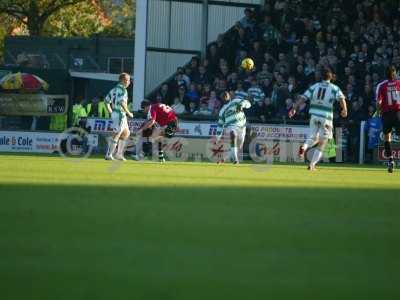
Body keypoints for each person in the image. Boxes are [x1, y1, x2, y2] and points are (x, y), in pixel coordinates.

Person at [289, 69, 348, 171]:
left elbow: (303, 98)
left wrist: (294, 108)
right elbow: (341, 98)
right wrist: (344, 109)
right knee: (323, 142)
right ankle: (312, 165)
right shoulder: (334, 88)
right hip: (326, 117)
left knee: (313, 137)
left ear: (321, 77)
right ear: (331, 77)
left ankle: (304, 147)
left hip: (314, 116)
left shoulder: (314, 86)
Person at [376, 66, 400, 173]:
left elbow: (378, 102)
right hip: (398, 113)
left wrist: (379, 111)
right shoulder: (399, 83)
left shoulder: (381, 86)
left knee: (387, 137)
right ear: (394, 73)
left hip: (387, 115)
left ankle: (390, 160)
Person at [216, 91, 251, 164]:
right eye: (224, 95)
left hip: (242, 126)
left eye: (226, 95)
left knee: (239, 147)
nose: (225, 96)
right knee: (233, 134)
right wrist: (218, 137)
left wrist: (242, 105)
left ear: (229, 96)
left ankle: (224, 159)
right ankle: (236, 159)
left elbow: (248, 104)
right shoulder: (222, 111)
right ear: (222, 98)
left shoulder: (236, 101)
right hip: (231, 126)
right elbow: (220, 124)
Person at [104, 73, 133, 161]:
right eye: (128, 80)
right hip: (120, 114)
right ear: (123, 80)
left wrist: (111, 112)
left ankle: (119, 154)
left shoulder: (113, 89)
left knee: (126, 133)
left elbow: (106, 101)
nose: (129, 82)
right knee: (117, 134)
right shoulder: (123, 90)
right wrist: (129, 113)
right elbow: (122, 102)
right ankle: (109, 154)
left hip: (116, 114)